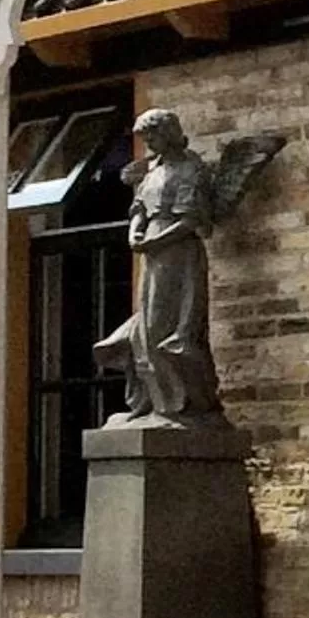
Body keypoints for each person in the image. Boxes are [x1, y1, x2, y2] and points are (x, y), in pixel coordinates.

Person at [103, 108, 224, 421]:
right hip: (153, 252)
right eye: (145, 138)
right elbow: (139, 209)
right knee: (147, 323)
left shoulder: (191, 169)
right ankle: (152, 398)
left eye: (153, 136)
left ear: (168, 133)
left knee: (168, 323)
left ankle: (181, 403)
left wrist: (153, 242)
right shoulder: (153, 171)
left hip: (178, 251)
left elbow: (190, 221)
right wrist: (135, 233)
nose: (149, 143)